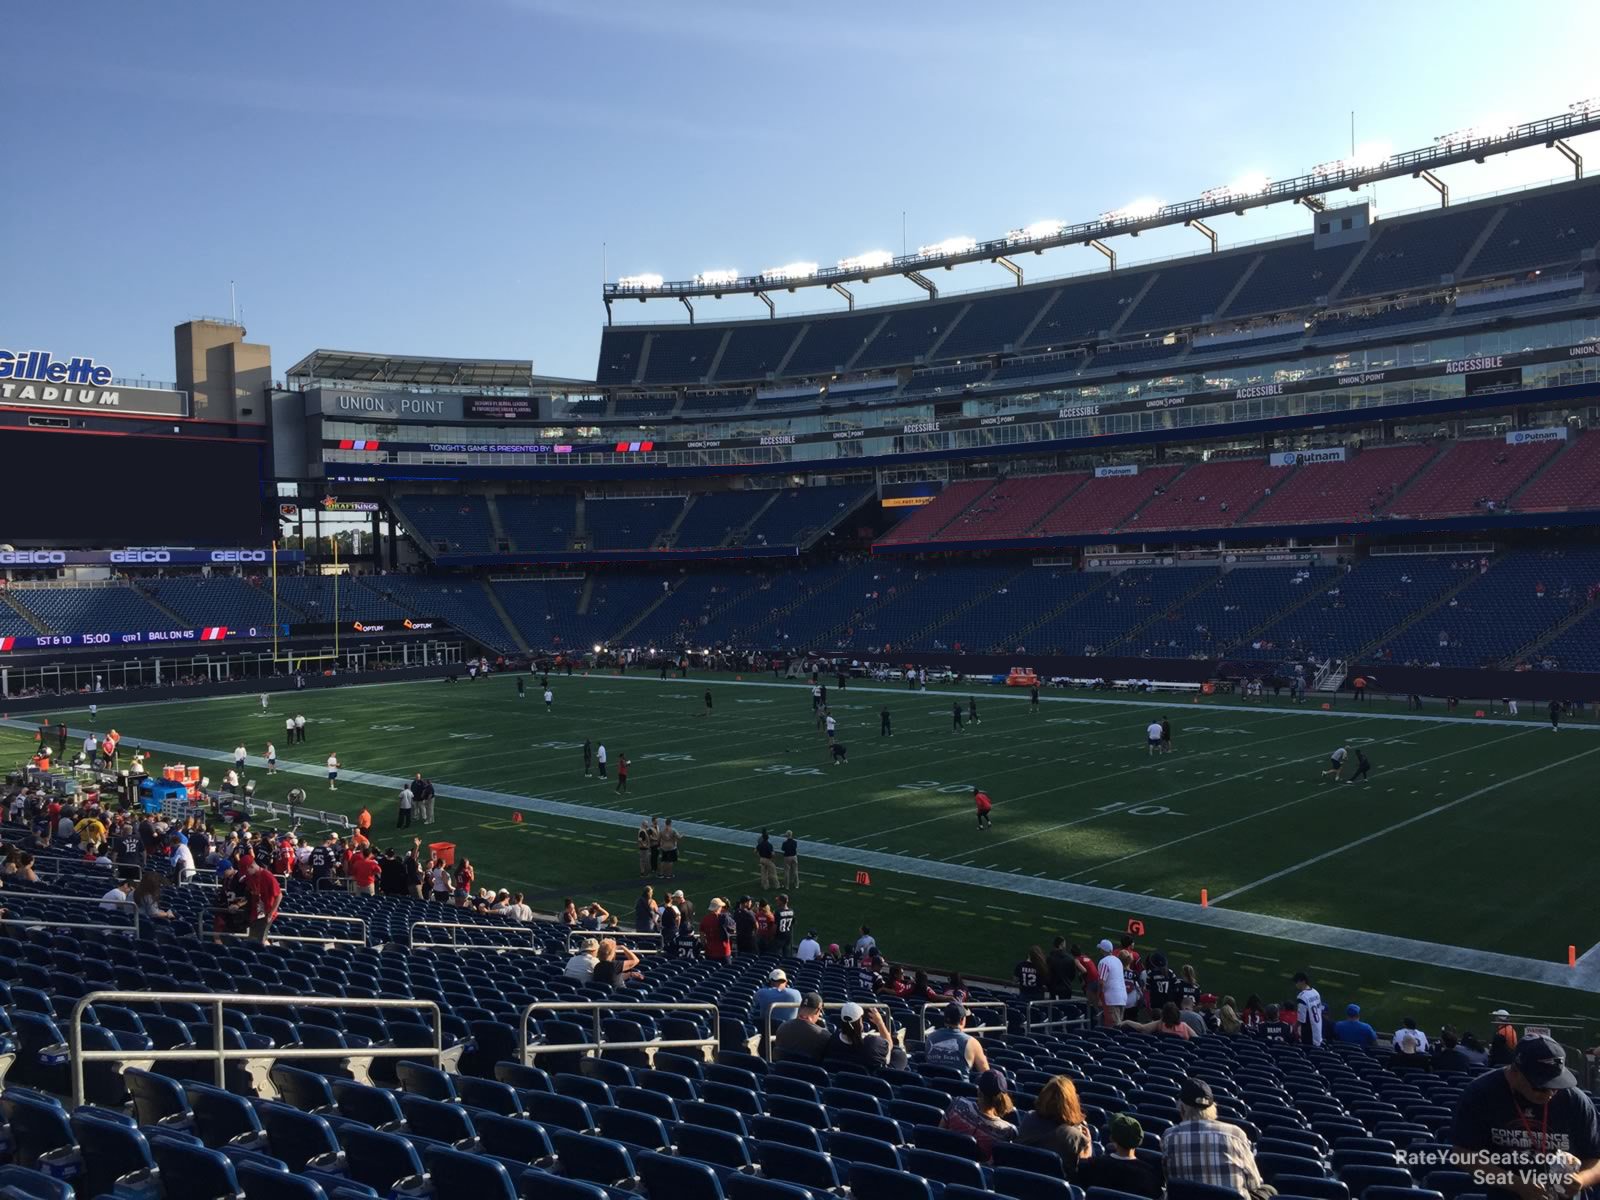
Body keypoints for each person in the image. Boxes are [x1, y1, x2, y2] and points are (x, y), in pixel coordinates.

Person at [1452, 1034, 1600, 1200]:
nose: (1550, 1093)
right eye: (1541, 1086)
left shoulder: (1576, 1101)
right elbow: (1462, 1154)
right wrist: (1517, 1184)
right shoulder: (1481, 1094)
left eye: (1557, 1085)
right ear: (1515, 1072)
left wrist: (1581, 1179)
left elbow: (1596, 1159)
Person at [1163, 1077, 1269, 1199]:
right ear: (1212, 1107)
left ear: (1181, 1107)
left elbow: (1168, 1178)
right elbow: (1254, 1182)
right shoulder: (1235, 1134)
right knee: (1268, 1190)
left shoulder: (1168, 1136)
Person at [1017, 1075, 1094, 1175]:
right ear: (1072, 1102)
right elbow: (1083, 1170)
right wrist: (1088, 1145)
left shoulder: (1028, 1118)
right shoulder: (1073, 1136)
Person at [1080, 1114, 1163, 1198]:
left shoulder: (1093, 1165)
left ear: (1112, 1138)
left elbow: (1082, 1168)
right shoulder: (1150, 1175)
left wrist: (1087, 1145)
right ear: (1139, 1141)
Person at [825, 1001, 905, 1072]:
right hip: (870, 1084)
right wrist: (880, 1023)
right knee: (899, 1053)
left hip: (841, 1080)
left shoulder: (833, 1039)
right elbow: (889, 1044)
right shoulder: (873, 1044)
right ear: (860, 1023)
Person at [925, 1001, 990, 1078]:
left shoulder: (930, 1037)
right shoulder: (972, 1043)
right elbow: (986, 1074)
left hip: (933, 1087)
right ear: (962, 1020)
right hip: (961, 1089)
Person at [774, 991, 831, 1064]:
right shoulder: (824, 1036)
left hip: (782, 1073)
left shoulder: (782, 1027)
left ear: (800, 1008)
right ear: (817, 1012)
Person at [754, 968, 803, 1042]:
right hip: (788, 1038)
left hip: (765, 1036)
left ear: (770, 982)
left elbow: (755, 999)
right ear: (786, 982)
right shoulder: (796, 993)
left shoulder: (762, 992)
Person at [241, 854, 280, 945]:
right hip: (256, 912)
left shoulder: (267, 876)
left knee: (257, 941)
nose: (246, 873)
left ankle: (275, 952)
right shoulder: (250, 876)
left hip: (266, 912)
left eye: (247, 870)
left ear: (251, 866)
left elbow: (279, 896)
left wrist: (271, 913)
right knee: (255, 939)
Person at [1098, 938, 1129, 1026]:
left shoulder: (1104, 962)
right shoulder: (1118, 961)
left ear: (1102, 950)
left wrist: (1099, 997)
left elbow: (1101, 982)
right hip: (1122, 997)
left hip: (1112, 999)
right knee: (1119, 1025)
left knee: (1114, 1027)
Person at [1122, 1002, 1194, 1040]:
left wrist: (1127, 1021)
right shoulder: (1184, 1026)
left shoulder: (1160, 1024)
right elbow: (1197, 1039)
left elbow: (1142, 1027)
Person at [1293, 972, 1325, 1046]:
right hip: (1318, 1027)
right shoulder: (1316, 992)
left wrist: (1295, 1027)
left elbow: (1301, 1019)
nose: (1296, 984)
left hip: (1308, 1030)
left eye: (1297, 982)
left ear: (1303, 981)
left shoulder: (1302, 997)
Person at [701, 898, 735, 962]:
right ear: (718, 907)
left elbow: (702, 936)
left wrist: (706, 946)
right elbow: (733, 927)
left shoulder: (705, 919)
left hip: (710, 952)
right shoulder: (724, 917)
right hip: (723, 951)